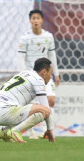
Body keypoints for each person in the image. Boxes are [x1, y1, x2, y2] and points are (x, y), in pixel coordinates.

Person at [0, 57, 56, 143]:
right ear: (44, 72)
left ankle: (4, 132)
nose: (51, 77)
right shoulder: (38, 79)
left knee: (35, 109)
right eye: (51, 74)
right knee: (45, 111)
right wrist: (50, 129)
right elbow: (46, 108)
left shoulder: (25, 73)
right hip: (6, 111)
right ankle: (15, 131)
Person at [17, 10, 60, 139]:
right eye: (33, 18)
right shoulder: (25, 38)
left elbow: (52, 56)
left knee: (50, 100)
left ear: (42, 20)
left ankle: (44, 130)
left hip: (46, 75)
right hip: (31, 76)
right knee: (32, 106)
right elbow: (21, 58)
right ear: (30, 20)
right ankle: (31, 132)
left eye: (38, 18)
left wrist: (56, 74)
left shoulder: (48, 36)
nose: (36, 20)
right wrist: (23, 75)